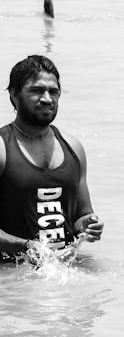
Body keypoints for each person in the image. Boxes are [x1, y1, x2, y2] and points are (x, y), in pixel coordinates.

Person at [0, 55, 103, 261]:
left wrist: (86, 225)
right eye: (37, 90)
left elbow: (82, 215)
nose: (47, 98)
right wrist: (26, 247)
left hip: (63, 272)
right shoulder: (2, 147)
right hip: (12, 279)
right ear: (14, 95)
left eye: (53, 91)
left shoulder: (73, 148)